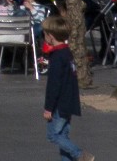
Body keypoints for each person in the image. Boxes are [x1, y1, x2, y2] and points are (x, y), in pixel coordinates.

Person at [41, 14, 88, 161]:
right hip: (69, 102)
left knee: (53, 135)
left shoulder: (57, 57)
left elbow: (54, 85)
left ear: (51, 36)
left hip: (59, 105)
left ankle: (79, 155)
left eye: (45, 34)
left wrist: (48, 108)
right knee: (63, 135)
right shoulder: (67, 53)